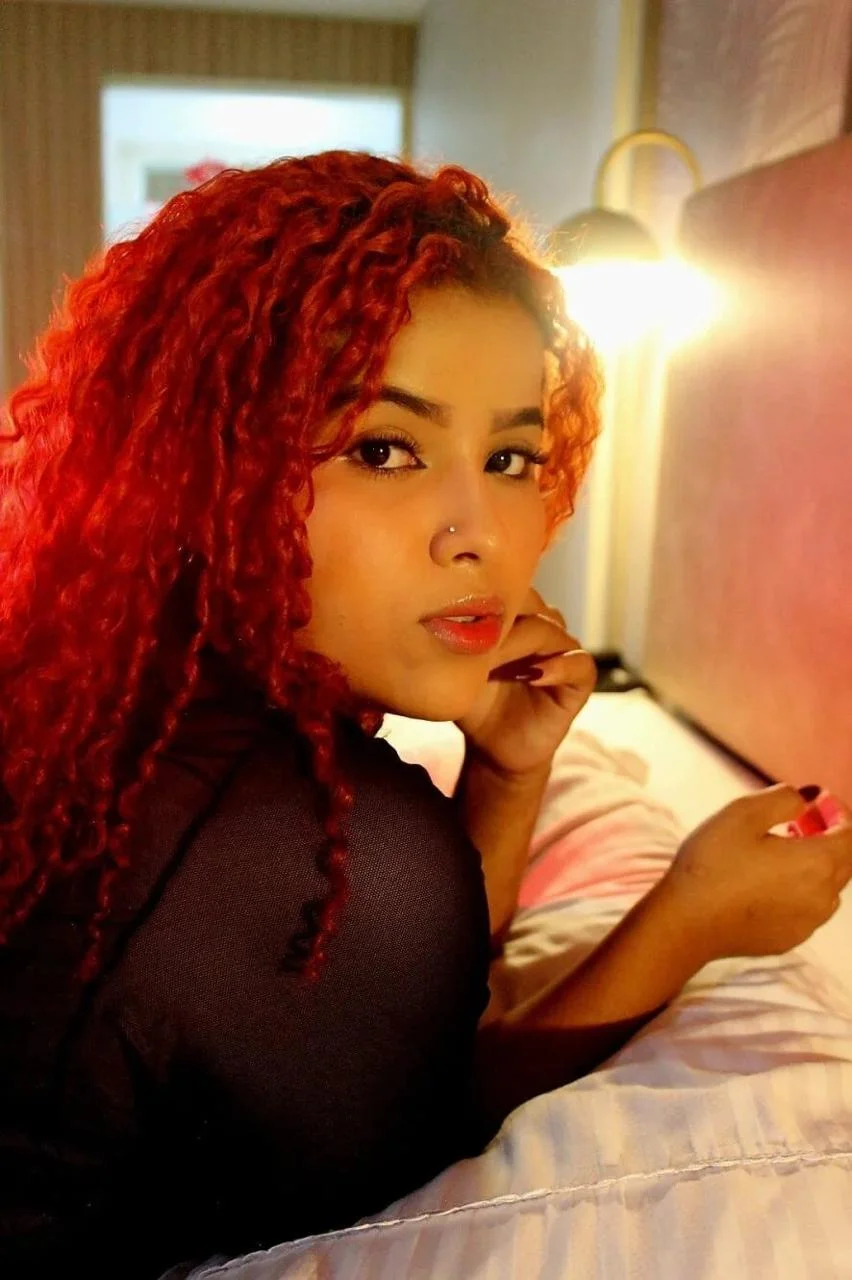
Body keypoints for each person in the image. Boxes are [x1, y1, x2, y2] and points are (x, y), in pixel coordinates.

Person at [1, 150, 850, 1280]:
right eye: (385, 449)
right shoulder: (296, 844)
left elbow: (409, 1008)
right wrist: (690, 918)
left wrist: (507, 777)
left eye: (510, 457)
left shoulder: (125, 706)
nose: (481, 533)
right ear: (211, 466)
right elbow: (434, 1126)